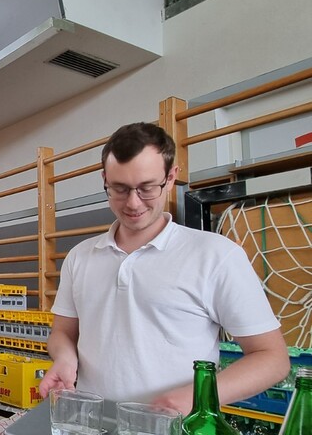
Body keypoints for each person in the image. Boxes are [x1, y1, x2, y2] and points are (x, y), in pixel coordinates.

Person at [38, 122, 290, 412]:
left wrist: (195, 397)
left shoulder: (216, 255)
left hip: (175, 432)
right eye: (119, 188)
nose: (133, 203)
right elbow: (63, 332)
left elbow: (272, 357)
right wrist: (65, 358)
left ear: (170, 178)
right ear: (105, 179)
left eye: (147, 188)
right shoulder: (80, 257)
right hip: (91, 424)